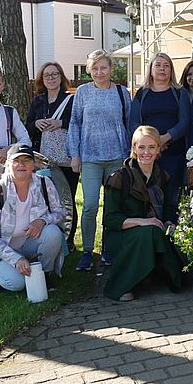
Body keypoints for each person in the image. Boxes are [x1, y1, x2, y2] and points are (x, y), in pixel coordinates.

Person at [68, 49, 133, 271]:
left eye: (103, 67)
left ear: (111, 69)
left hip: (117, 157)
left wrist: (130, 155)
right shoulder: (83, 92)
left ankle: (109, 249)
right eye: (94, 68)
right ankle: (87, 251)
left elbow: (129, 122)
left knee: (113, 207)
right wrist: (74, 154)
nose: (99, 72)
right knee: (90, 205)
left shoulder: (122, 92)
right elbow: (75, 123)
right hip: (90, 158)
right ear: (89, 70)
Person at [102, 126, 183, 301]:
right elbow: (110, 219)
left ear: (158, 149)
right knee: (151, 231)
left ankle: (163, 276)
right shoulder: (119, 177)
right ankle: (123, 284)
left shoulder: (163, 176)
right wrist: (143, 221)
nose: (146, 152)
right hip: (121, 235)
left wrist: (170, 222)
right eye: (141, 147)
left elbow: (170, 208)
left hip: (155, 231)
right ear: (134, 149)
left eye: (152, 147)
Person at [0, 144, 66, 292]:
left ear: (34, 164)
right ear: (8, 164)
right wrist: (16, 259)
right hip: (4, 249)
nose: (21, 165)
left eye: (26, 160)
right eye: (16, 161)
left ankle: (43, 275)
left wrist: (42, 221)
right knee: (17, 284)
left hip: (30, 243)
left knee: (53, 233)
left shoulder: (44, 183)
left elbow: (61, 212)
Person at [128, 53, 190, 219]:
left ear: (171, 70)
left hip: (173, 154)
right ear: (151, 69)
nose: (162, 68)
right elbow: (133, 123)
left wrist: (166, 138)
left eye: (166, 65)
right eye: (158, 65)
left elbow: (185, 122)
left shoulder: (179, 92)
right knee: (147, 197)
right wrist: (152, 142)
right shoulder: (142, 93)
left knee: (171, 198)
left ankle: (170, 234)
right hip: (147, 154)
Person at [26, 62, 79, 251]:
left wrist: (60, 122)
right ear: (42, 79)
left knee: (67, 198)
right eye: (47, 75)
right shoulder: (37, 102)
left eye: (55, 74)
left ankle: (69, 239)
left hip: (65, 158)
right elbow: (28, 128)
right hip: (42, 159)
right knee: (45, 199)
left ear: (61, 77)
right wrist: (37, 123)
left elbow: (77, 123)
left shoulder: (71, 100)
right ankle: (50, 237)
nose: (51, 78)